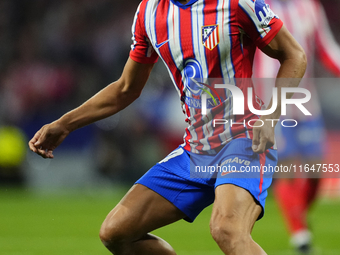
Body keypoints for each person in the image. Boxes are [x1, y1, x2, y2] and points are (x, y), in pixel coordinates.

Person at [28, 0, 307, 254]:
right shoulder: (149, 13)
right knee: (116, 233)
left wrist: (270, 116)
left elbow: (294, 55)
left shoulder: (235, 4)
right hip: (195, 149)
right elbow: (126, 88)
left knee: (227, 229)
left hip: (243, 139)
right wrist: (65, 124)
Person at [253, 0, 340, 254]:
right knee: (287, 167)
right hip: (272, 104)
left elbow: (326, 48)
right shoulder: (255, 5)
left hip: (306, 102)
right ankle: (299, 234)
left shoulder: (309, 6)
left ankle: (297, 214)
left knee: (316, 170)